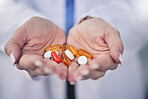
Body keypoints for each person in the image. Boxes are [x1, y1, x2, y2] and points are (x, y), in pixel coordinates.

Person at [0, 0, 147, 99]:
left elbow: (142, 8)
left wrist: (111, 24)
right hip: (24, 84)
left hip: (108, 72)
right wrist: (20, 25)